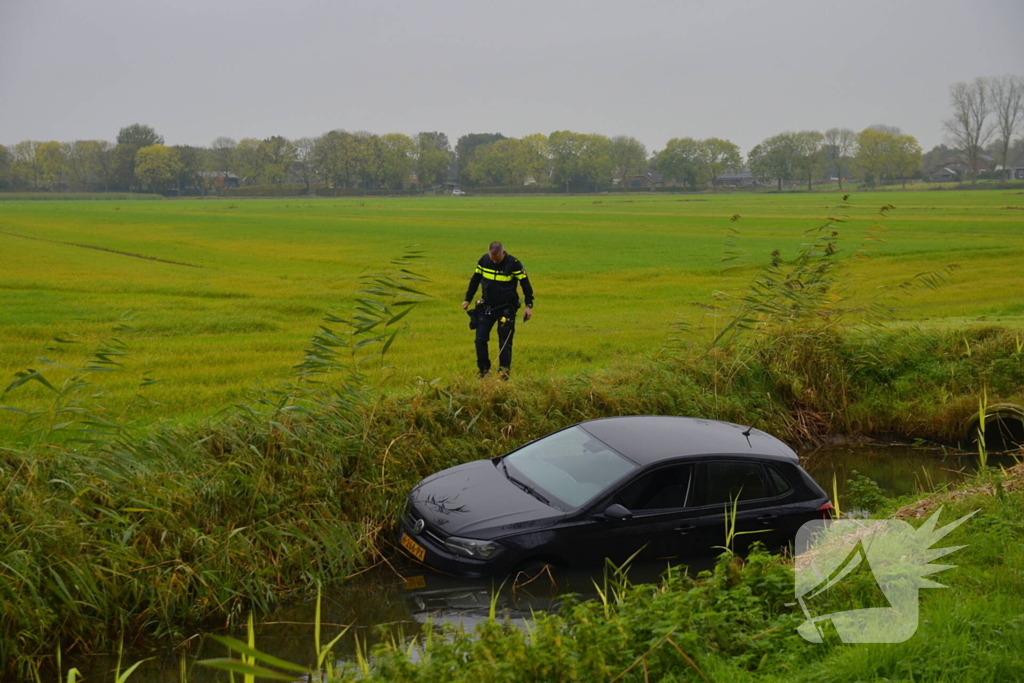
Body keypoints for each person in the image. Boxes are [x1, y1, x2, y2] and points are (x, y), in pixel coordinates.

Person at [462, 241, 534, 378]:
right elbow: (475, 280)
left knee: (504, 342)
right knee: (480, 340)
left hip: (506, 309)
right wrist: (467, 299)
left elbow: (525, 284)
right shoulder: (484, 260)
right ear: (489, 253)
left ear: (503, 253)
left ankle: (503, 374)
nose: (494, 261)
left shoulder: (514, 263)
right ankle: (483, 371)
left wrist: (528, 306)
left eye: (497, 259)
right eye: (492, 258)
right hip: (487, 307)